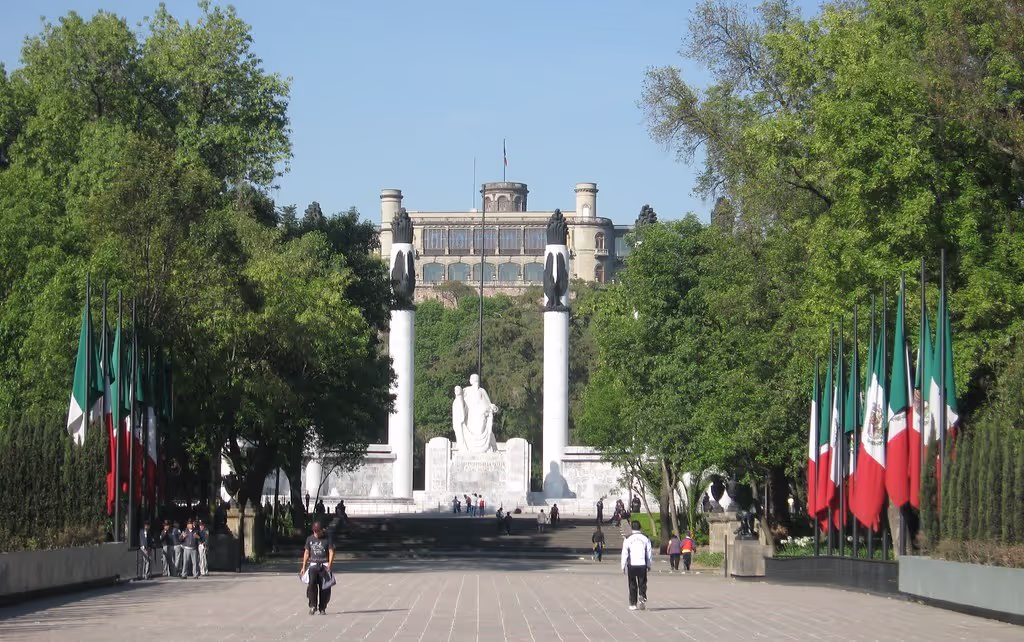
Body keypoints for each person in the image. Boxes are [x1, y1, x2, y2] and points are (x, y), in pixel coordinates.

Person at [299, 521, 335, 615]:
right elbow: (306, 553)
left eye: (318, 531)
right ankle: (313, 606)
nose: (316, 533)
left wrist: (330, 565)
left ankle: (322, 607)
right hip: (313, 565)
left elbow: (331, 551)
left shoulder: (327, 539)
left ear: (321, 530)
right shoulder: (309, 539)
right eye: (314, 531)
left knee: (325, 588)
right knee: (311, 586)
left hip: (324, 565)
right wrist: (303, 567)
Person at [621, 520, 652, 611]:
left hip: (632, 564)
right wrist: (649, 564)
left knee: (632, 583)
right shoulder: (645, 538)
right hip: (642, 564)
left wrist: (623, 566)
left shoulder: (627, 538)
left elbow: (625, 553)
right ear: (640, 527)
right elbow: (649, 553)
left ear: (631, 528)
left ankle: (633, 603)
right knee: (642, 582)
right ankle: (642, 596)